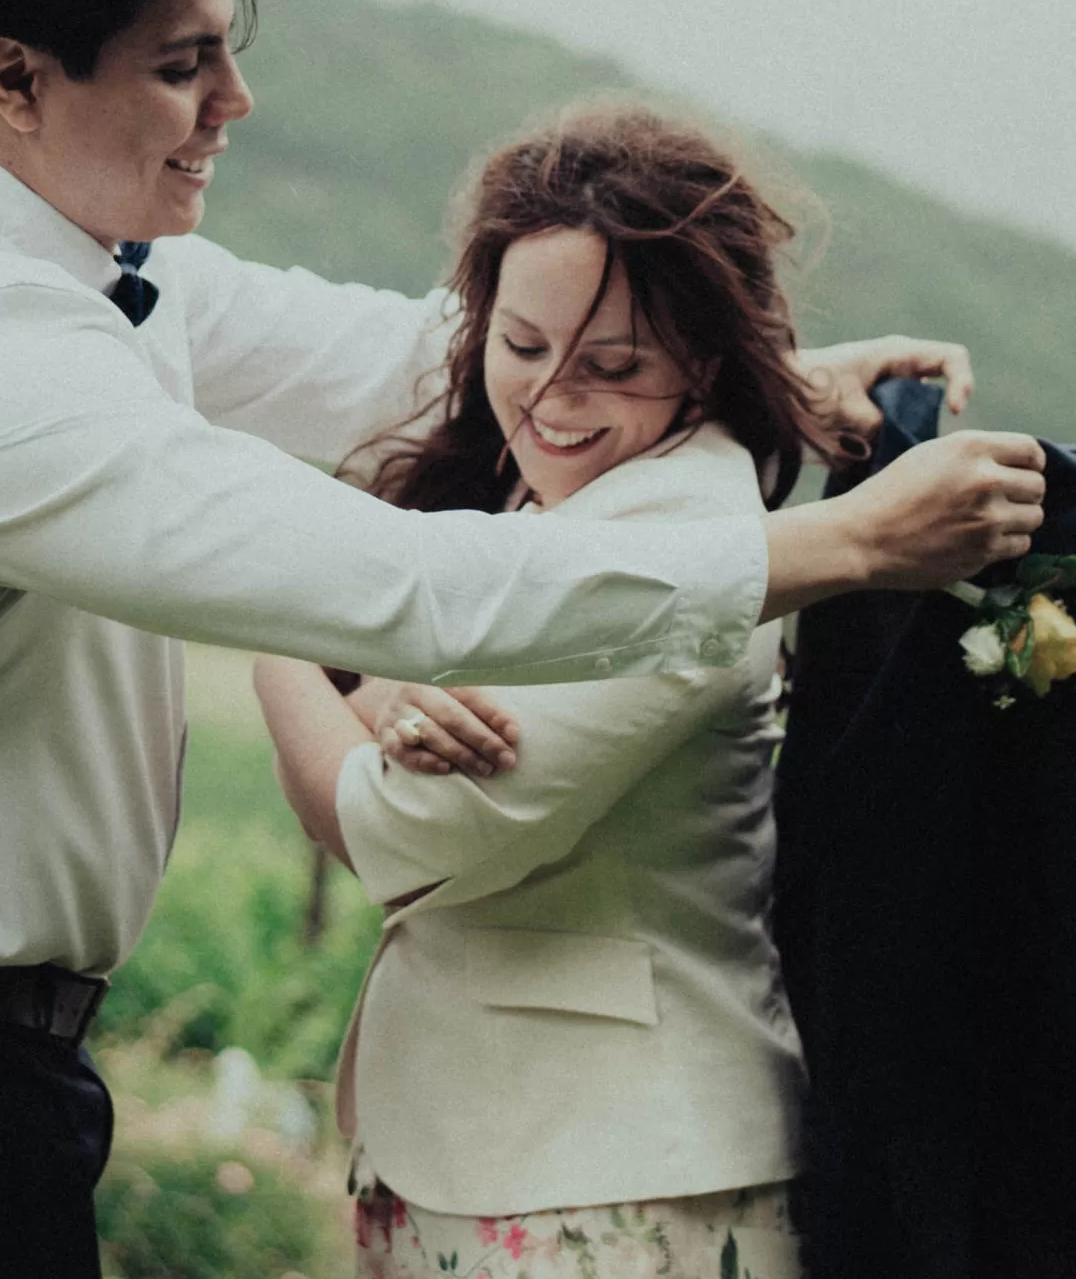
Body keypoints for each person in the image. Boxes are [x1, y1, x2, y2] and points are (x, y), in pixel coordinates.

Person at [0, 0, 1047, 1279]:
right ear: (13, 79)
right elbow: (417, 588)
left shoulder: (79, 259)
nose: (235, 101)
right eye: (183, 64)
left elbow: (412, 361)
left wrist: (749, 372)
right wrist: (846, 545)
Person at [256, 102, 847, 1278]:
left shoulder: (679, 534)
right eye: (520, 348)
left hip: (615, 1178)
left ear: (708, 358)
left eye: (613, 365)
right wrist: (375, 692)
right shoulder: (554, 503)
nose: (551, 402)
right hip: (486, 1152)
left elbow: (408, 828)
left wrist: (275, 621)